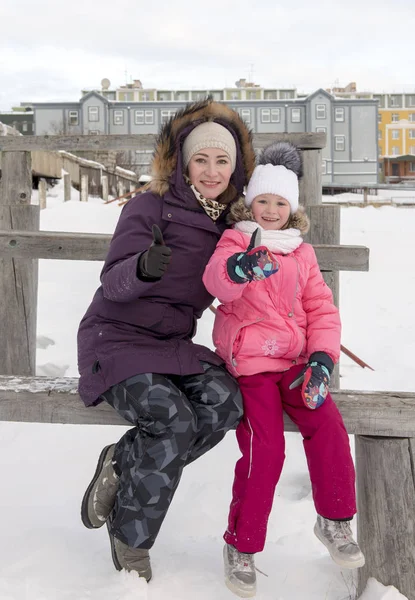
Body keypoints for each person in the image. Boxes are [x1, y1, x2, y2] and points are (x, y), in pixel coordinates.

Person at [77, 98, 256, 582]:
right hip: (115, 338)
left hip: (172, 345)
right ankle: (132, 539)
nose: (212, 170)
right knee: (172, 419)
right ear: (183, 163)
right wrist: (140, 269)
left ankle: (122, 461)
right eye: (201, 159)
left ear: (236, 167)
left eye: (223, 160)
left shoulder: (233, 228)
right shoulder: (148, 206)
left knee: (224, 405)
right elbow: (112, 282)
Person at [203, 142, 365, 598]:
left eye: (280, 203)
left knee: (329, 425)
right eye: (263, 201)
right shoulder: (237, 239)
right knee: (265, 450)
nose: (271, 210)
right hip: (253, 366)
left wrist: (321, 359)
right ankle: (242, 545)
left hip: (296, 364)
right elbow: (215, 279)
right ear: (249, 202)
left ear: (291, 208)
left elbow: (322, 310)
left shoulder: (301, 252)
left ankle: (334, 521)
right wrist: (240, 268)